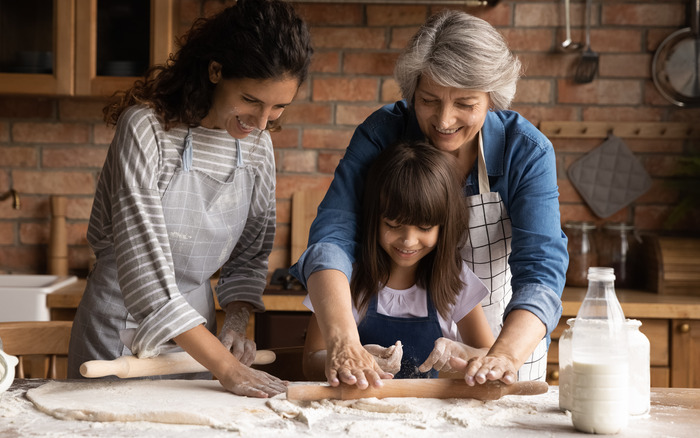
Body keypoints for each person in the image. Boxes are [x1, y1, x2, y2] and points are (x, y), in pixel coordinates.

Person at [290, 10, 568, 388]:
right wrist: (344, 343)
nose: (444, 120)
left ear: (492, 99)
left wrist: (502, 355)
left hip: (506, 342)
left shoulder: (526, 152)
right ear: (412, 91)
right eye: (429, 100)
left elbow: (541, 270)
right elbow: (332, 238)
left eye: (465, 104)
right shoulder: (381, 135)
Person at [68, 0, 313, 398]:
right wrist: (224, 366)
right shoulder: (145, 129)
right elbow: (145, 275)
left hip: (199, 340)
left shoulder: (258, 147)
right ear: (215, 70)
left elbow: (249, 257)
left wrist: (234, 324)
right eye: (251, 100)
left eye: (279, 107)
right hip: (120, 329)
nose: (263, 122)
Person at [302, 141, 495, 381]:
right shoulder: (344, 278)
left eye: (424, 227)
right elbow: (311, 361)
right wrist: (357, 357)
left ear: (443, 226)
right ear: (374, 219)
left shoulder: (454, 279)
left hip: (430, 416)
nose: (408, 241)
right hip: (358, 411)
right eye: (393, 226)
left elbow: (490, 356)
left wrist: (464, 353)